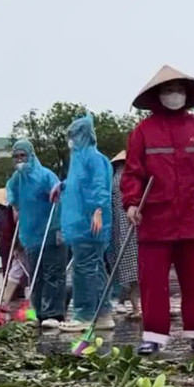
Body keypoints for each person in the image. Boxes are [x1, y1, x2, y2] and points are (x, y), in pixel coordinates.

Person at [121, 65, 194, 355]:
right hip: (156, 220)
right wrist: (132, 202)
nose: (175, 95)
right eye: (169, 90)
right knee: (153, 284)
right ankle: (153, 337)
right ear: (158, 95)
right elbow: (132, 173)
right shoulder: (142, 132)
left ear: (187, 95)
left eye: (179, 90)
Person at [58, 114, 114, 336]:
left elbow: (99, 186)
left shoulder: (92, 158)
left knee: (84, 270)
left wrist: (98, 210)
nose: (71, 139)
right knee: (96, 268)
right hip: (83, 224)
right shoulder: (80, 160)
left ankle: (84, 315)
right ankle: (103, 314)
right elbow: (78, 186)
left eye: (74, 135)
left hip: (89, 224)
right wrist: (61, 187)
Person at [6, 140, 67, 327]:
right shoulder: (17, 179)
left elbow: (60, 196)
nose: (19, 160)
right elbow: (12, 197)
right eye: (16, 156)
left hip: (52, 231)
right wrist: (15, 208)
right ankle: (40, 312)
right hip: (31, 236)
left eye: (22, 156)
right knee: (36, 275)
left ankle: (55, 314)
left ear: (31, 155)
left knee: (53, 274)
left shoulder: (45, 176)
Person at [108, 151, 141, 319]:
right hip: (133, 226)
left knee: (129, 272)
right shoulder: (130, 177)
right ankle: (137, 307)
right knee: (137, 272)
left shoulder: (114, 179)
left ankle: (136, 307)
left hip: (121, 229)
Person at [0, 188, 26, 309]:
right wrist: (14, 245)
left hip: (32, 244)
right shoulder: (9, 211)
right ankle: (5, 301)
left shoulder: (28, 208)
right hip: (16, 245)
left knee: (33, 274)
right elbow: (8, 230)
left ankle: (33, 306)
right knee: (14, 271)